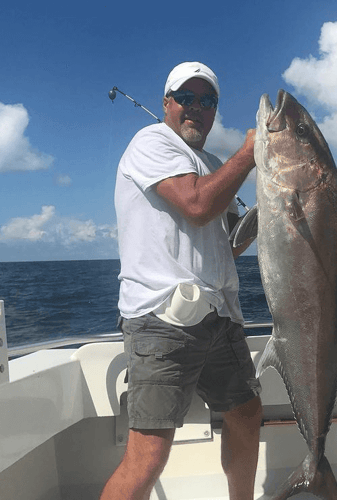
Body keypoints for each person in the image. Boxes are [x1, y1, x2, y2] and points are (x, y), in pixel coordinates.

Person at [101, 62, 262, 500]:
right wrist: (249, 153)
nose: (196, 108)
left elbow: (226, 245)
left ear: (214, 111)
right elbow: (195, 204)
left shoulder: (210, 164)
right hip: (162, 318)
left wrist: (273, 211)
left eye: (206, 100)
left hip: (218, 315)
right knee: (149, 455)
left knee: (246, 414)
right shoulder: (150, 142)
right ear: (166, 103)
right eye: (186, 98)